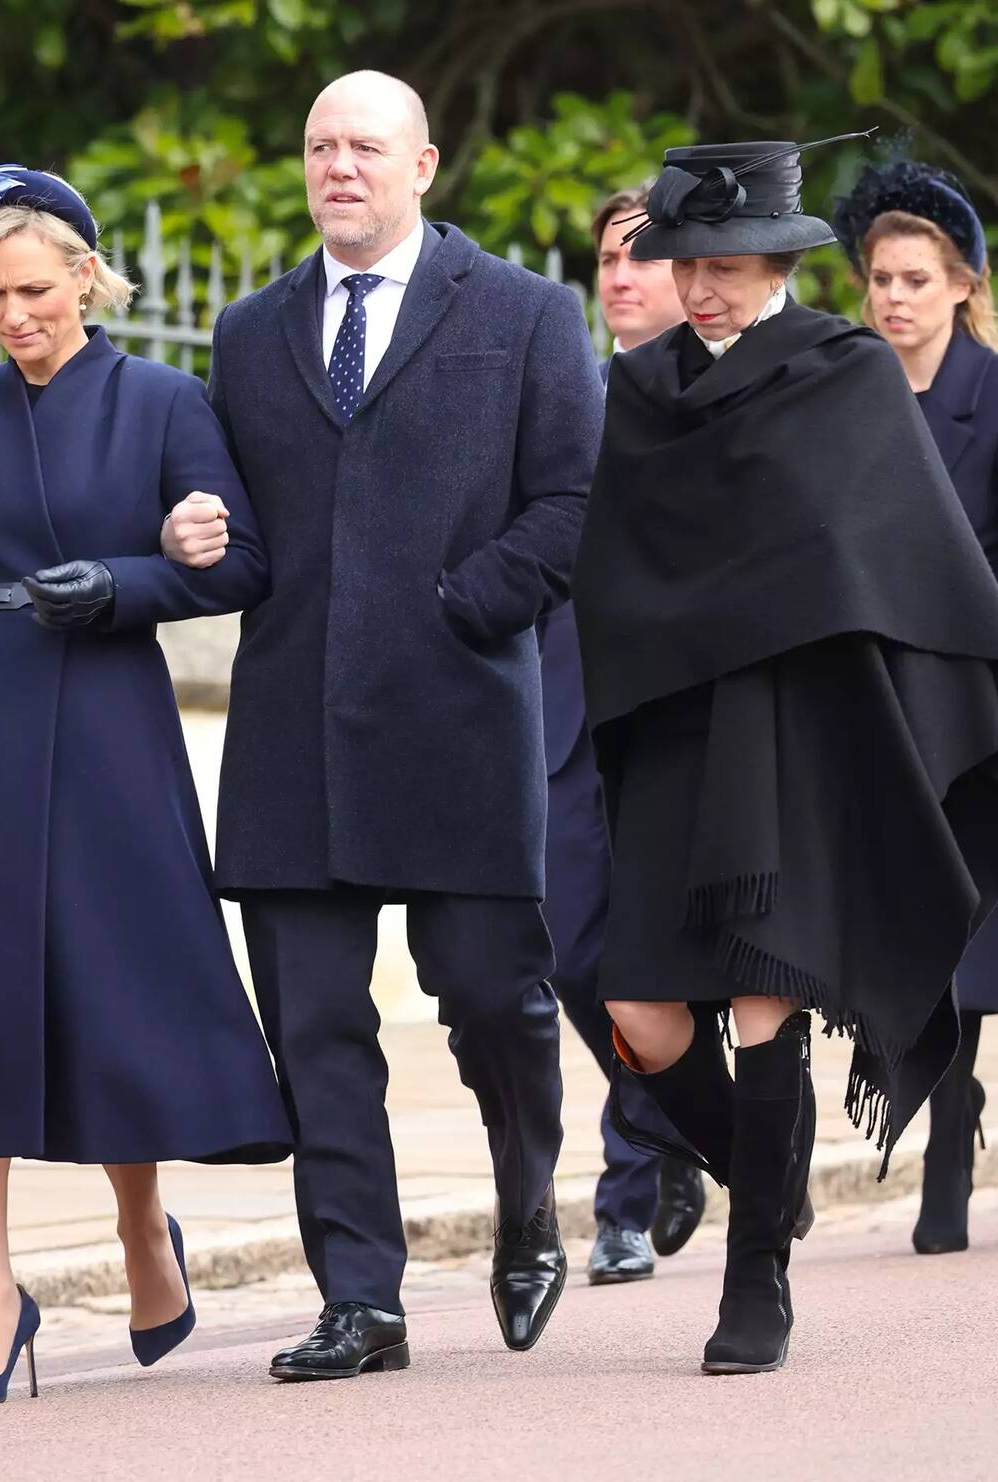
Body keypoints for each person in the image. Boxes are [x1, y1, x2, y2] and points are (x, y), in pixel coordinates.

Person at [164, 71, 604, 1377]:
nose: (336, 165)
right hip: (293, 741)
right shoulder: (247, 332)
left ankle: (528, 1204)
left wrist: (470, 605)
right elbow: (243, 545)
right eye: (317, 146)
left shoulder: (526, 313)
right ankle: (362, 1295)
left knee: (491, 998)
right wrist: (204, 537)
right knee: (315, 1031)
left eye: (364, 145)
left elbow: (573, 505)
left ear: (422, 167)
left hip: (461, 723)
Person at [0, 166, 292, 1409]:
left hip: (107, 730)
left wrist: (129, 580)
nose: (13, 315)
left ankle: (146, 1232)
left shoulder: (162, 402)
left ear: (88, 274)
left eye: (34, 288)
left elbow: (239, 563)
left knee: (116, 1007)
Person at [570, 137, 998, 1376]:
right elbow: (616, 568)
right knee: (640, 1016)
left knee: (764, 1008)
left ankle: (755, 1275)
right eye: (681, 259)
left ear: (775, 260)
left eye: (725, 259)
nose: (700, 283)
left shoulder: (843, 370)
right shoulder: (640, 393)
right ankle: (774, 1182)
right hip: (666, 731)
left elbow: (896, 551)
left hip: (785, 729)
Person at [833, 157, 998, 1256]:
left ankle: (947, 1131)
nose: (894, 297)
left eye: (916, 279)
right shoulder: (844, 396)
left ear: (960, 290)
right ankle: (945, 1102)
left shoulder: (995, 398)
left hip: (983, 699)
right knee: (902, 922)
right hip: (876, 701)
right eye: (881, 279)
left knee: (975, 923)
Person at [540, 182, 703, 1287]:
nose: (620, 274)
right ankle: (687, 1111)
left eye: (643, 255)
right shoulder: (565, 396)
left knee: (648, 953)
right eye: (607, 257)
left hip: (683, 719)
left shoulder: (732, 398)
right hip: (562, 711)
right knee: (569, 948)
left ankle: (629, 1188)